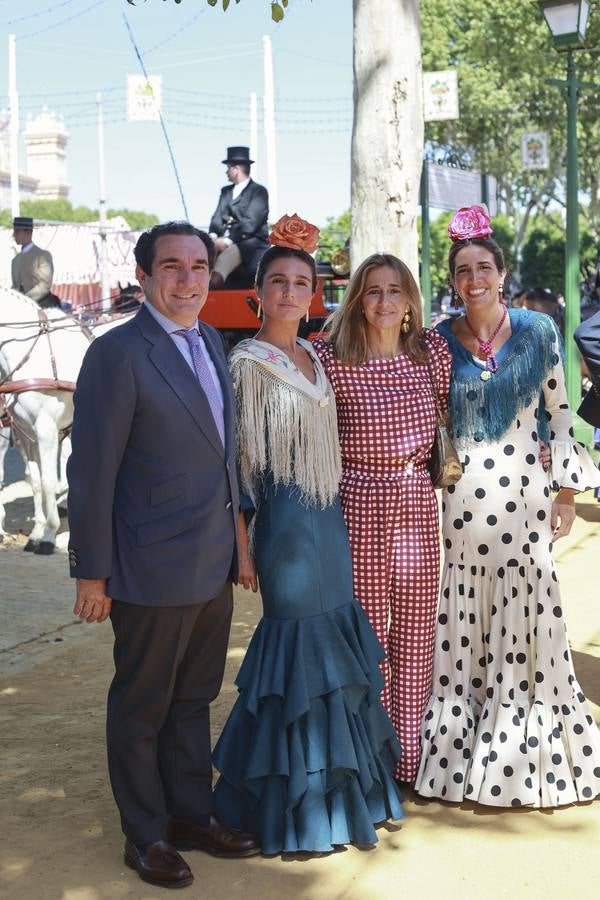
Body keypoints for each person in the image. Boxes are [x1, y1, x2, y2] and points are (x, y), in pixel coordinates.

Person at [67, 221, 260, 890]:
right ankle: (145, 835)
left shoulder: (210, 340)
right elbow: (91, 471)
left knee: (194, 699)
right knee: (143, 706)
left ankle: (189, 815)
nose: (186, 279)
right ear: (145, 276)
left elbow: (223, 457)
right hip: (147, 567)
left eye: (198, 266)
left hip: (210, 565)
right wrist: (92, 571)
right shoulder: (117, 355)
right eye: (171, 266)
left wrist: (239, 542)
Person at [212, 215, 404, 854]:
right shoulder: (245, 364)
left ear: (313, 293)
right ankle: (287, 806)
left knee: (337, 652)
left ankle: (352, 799)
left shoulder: (318, 356)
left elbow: (390, 344)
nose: (291, 292)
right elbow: (234, 465)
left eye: (301, 282)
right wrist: (242, 543)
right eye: (279, 282)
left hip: (332, 522)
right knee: (297, 654)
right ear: (257, 294)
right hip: (286, 528)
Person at [415, 205, 600, 807]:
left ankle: (526, 750)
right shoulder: (436, 341)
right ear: (453, 279)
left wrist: (567, 490)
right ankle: (458, 754)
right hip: (459, 506)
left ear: (502, 271)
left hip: (523, 498)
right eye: (463, 270)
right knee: (461, 622)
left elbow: (560, 411)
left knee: (527, 617)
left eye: (484, 268)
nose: (475, 279)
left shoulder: (539, 332)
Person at [313, 254, 452, 785]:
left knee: (416, 633)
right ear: (357, 299)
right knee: (366, 633)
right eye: (373, 291)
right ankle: (367, 756)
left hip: (416, 498)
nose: (385, 301)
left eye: (395, 291)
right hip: (357, 501)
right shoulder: (330, 356)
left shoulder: (431, 353)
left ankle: (408, 758)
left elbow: (447, 412)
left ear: (411, 300)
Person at [208, 146, 269, 290]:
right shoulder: (225, 191)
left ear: (236, 169)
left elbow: (250, 224)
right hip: (222, 240)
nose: (226, 171)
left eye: (228, 168)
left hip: (250, 243)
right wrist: (212, 237)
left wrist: (227, 241)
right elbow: (216, 218)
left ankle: (210, 286)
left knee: (225, 257)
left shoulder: (258, 191)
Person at [11, 215, 58, 308]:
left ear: (28, 232)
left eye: (17, 231)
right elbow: (15, 286)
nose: (14, 235)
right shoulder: (15, 260)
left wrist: (26, 300)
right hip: (20, 306)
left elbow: (45, 284)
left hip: (42, 304)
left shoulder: (43, 256)